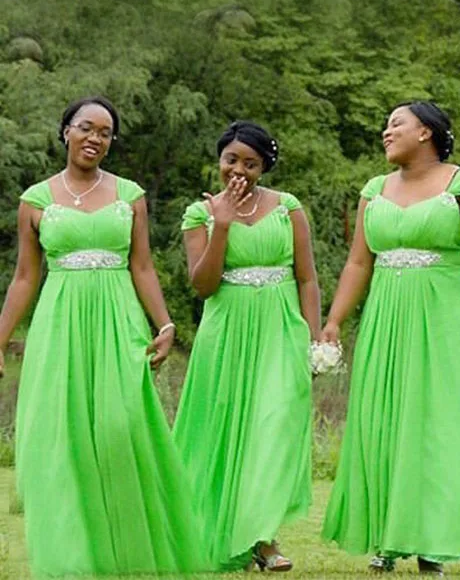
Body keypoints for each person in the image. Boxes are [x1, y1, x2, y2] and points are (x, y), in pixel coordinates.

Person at [0, 96, 208, 576]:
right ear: (66, 131)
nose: (96, 138)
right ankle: (74, 560)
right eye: (87, 128)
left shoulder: (129, 195)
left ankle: (129, 553)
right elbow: (26, 277)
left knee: (120, 430)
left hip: (118, 320)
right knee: (63, 437)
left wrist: (165, 324)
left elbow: (142, 266)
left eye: (106, 132)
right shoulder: (35, 200)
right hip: (60, 322)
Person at [321, 101, 460, 575]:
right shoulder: (375, 188)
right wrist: (334, 321)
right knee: (386, 419)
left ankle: (435, 541)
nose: (386, 133)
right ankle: (388, 535)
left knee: (438, 425)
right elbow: (358, 263)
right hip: (387, 315)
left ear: (426, 132)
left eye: (396, 125)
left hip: (444, 316)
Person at [174, 120, 320, 571]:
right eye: (231, 160)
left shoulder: (287, 207)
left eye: (251, 163)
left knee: (275, 425)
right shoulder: (200, 213)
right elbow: (202, 284)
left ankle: (264, 533)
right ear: (219, 160)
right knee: (223, 432)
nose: (239, 170)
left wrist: (314, 341)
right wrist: (221, 225)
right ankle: (249, 541)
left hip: (280, 328)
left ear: (264, 166)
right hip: (226, 330)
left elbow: (308, 277)